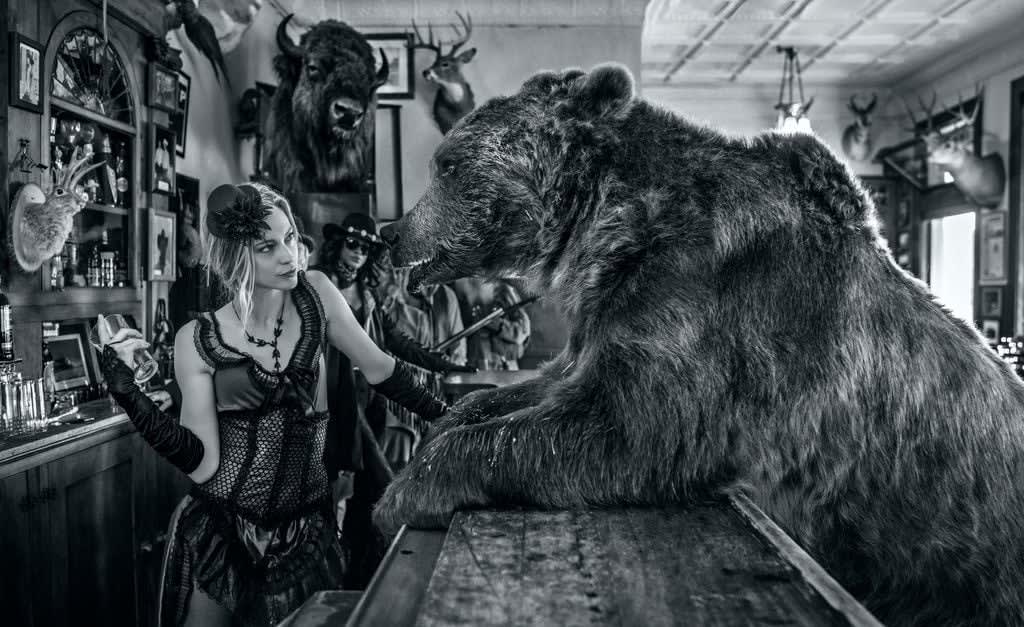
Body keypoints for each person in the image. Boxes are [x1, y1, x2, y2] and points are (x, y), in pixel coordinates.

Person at [94, 182, 448, 626]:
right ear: (236, 258)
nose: (289, 256)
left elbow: (381, 368)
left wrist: (453, 418)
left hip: (307, 530)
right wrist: (129, 395)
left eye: (290, 238)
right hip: (221, 530)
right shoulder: (197, 339)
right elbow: (203, 465)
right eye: (268, 247)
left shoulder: (317, 293)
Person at [312, 213, 472, 587]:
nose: (358, 254)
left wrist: (444, 364)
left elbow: (397, 343)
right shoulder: (317, 287)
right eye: (352, 244)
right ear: (338, 245)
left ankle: (362, 574)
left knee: (366, 492)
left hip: (371, 400)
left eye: (366, 249)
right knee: (372, 481)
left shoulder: (368, 295)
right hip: (335, 401)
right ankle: (350, 573)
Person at [453, 278, 532, 371]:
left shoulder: (503, 291)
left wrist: (499, 325)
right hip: (474, 367)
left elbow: (523, 330)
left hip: (503, 368)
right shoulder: (458, 291)